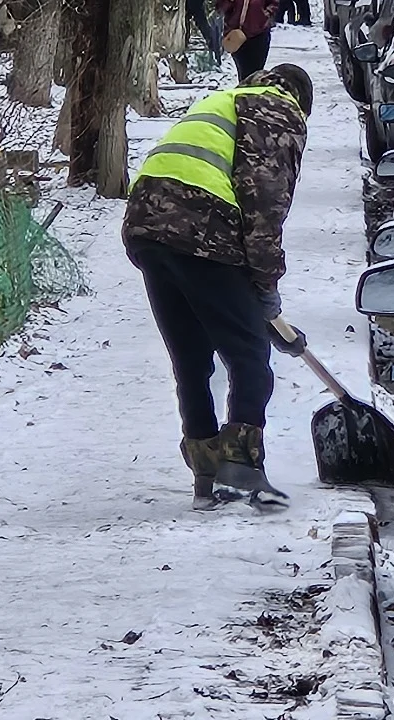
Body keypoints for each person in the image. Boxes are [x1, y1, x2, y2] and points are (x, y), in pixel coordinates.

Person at [123, 63, 315, 510]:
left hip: (147, 227)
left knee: (190, 358)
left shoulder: (224, 102)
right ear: (301, 102)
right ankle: (240, 470)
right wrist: (265, 289)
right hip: (202, 232)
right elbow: (264, 206)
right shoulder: (277, 113)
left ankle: (205, 476)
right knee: (249, 355)